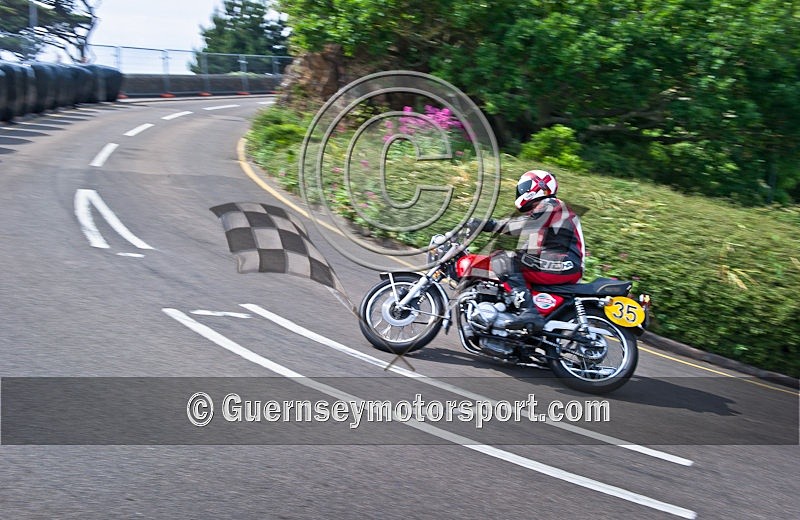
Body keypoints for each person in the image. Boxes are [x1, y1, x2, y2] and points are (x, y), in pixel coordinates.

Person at [469, 170, 585, 331]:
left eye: (524, 187)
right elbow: (528, 250)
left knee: (504, 260)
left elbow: (521, 226)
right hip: (556, 262)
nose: (521, 191)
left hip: (565, 263)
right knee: (508, 261)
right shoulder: (541, 213)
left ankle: (528, 312)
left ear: (540, 186)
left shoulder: (552, 204)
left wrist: (489, 225)